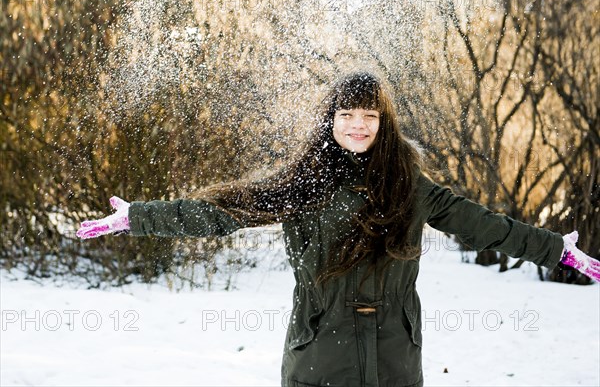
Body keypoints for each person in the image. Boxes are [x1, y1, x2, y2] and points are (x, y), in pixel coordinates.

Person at [77, 72, 599, 387]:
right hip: (318, 355)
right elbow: (217, 215)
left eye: (368, 114)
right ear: (331, 119)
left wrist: (556, 250)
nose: (357, 124)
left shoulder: (409, 187)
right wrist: (137, 216)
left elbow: (484, 226)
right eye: (347, 113)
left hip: (396, 356)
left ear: (382, 122)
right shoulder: (300, 185)